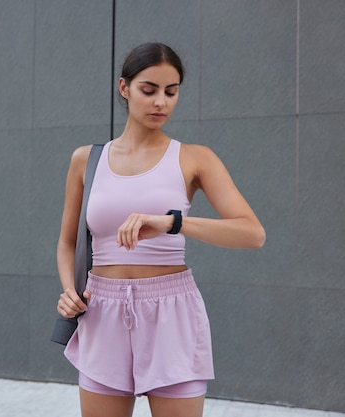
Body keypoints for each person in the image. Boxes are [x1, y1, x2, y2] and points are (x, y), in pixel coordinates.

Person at [56, 42, 266, 417]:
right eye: (148, 90)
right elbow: (68, 241)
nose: (161, 103)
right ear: (124, 88)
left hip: (171, 311)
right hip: (101, 312)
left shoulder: (194, 158)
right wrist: (69, 291)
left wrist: (173, 222)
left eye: (171, 92)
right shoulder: (86, 160)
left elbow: (252, 233)